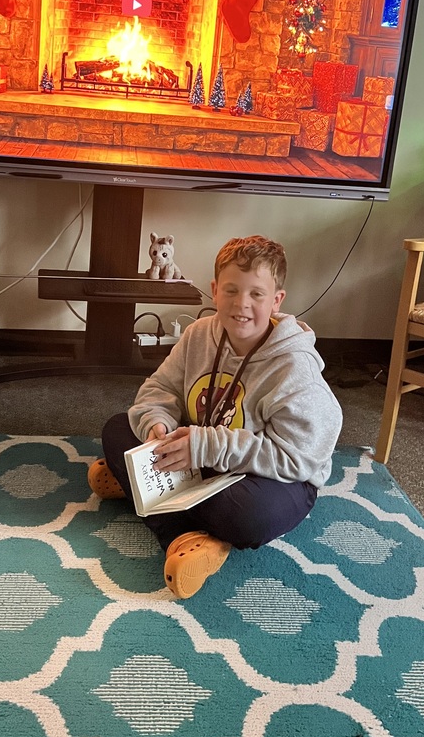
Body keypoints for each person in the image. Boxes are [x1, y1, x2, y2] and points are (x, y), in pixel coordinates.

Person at [88, 235, 342, 599]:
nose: (242, 304)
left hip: (274, 477)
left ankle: (150, 502)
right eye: (231, 290)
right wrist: (156, 426)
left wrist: (206, 447)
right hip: (201, 462)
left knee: (249, 517)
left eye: (256, 294)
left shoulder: (294, 365)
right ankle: (179, 528)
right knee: (117, 428)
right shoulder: (198, 334)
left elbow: (297, 458)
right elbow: (159, 389)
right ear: (215, 290)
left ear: (276, 300)